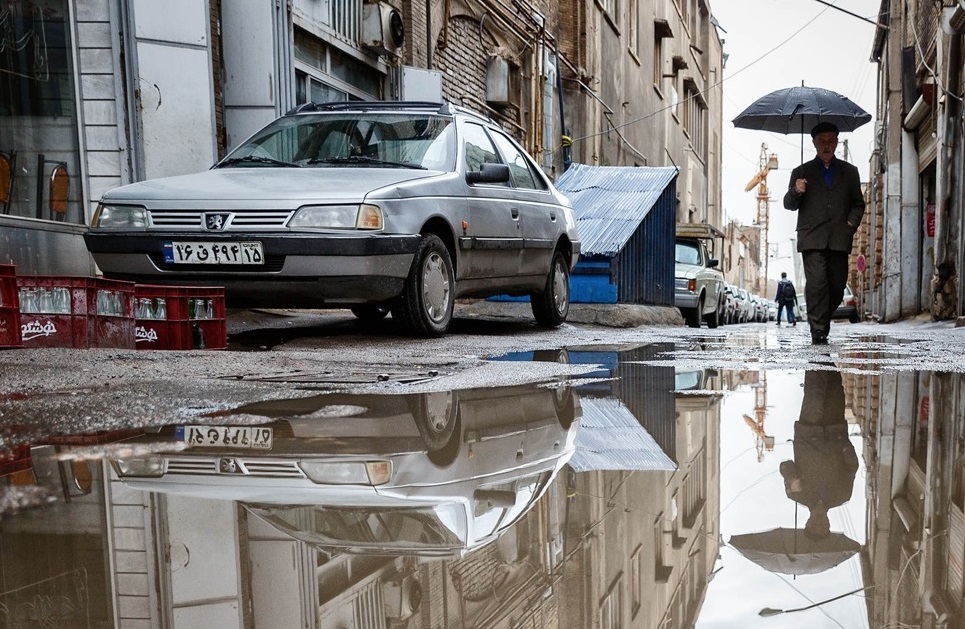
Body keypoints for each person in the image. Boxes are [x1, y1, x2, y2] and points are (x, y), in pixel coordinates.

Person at [783, 122, 865, 345]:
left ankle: (821, 322)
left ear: (837, 142)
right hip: (811, 238)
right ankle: (818, 329)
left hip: (839, 238)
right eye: (822, 141)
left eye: (830, 141)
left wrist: (850, 225)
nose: (826, 146)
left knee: (837, 287)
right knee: (817, 283)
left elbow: (859, 204)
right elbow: (788, 204)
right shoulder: (801, 172)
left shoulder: (850, 172)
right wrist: (795, 190)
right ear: (814, 143)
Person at [778, 369, 858, 541]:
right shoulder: (842, 495)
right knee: (835, 385)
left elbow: (785, 466)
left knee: (814, 390)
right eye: (822, 526)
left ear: (807, 523)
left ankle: (817, 347)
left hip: (809, 432)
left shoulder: (796, 494)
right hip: (834, 431)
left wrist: (792, 479)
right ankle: (825, 352)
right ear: (829, 524)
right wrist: (844, 447)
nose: (819, 522)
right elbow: (852, 467)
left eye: (814, 525)